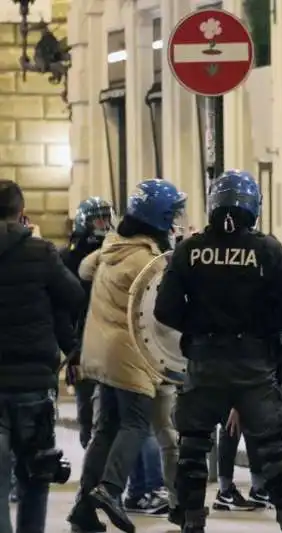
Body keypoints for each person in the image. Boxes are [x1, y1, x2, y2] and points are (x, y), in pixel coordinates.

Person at [153, 170, 282, 533]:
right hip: (253, 365)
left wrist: (196, 324)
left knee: (194, 445)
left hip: (204, 361)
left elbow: (163, 309)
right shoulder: (265, 249)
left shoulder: (189, 250)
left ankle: (192, 519)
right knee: (273, 447)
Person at [68, 178, 186, 533]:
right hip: (130, 356)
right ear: (159, 217)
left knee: (105, 430)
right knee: (136, 423)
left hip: (99, 354)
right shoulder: (148, 261)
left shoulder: (113, 246)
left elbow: (84, 269)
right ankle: (111, 489)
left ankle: (82, 510)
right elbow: (166, 310)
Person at [0, 180, 85, 533]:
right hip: (34, 385)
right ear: (21, 212)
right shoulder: (41, 252)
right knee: (36, 475)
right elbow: (76, 297)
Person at [60, 197, 115, 449]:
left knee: (108, 409)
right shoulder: (66, 257)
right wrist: (70, 345)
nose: (104, 224)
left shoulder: (114, 252)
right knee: (85, 405)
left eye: (106, 217)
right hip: (81, 341)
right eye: (98, 218)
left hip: (109, 339)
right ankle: (89, 442)